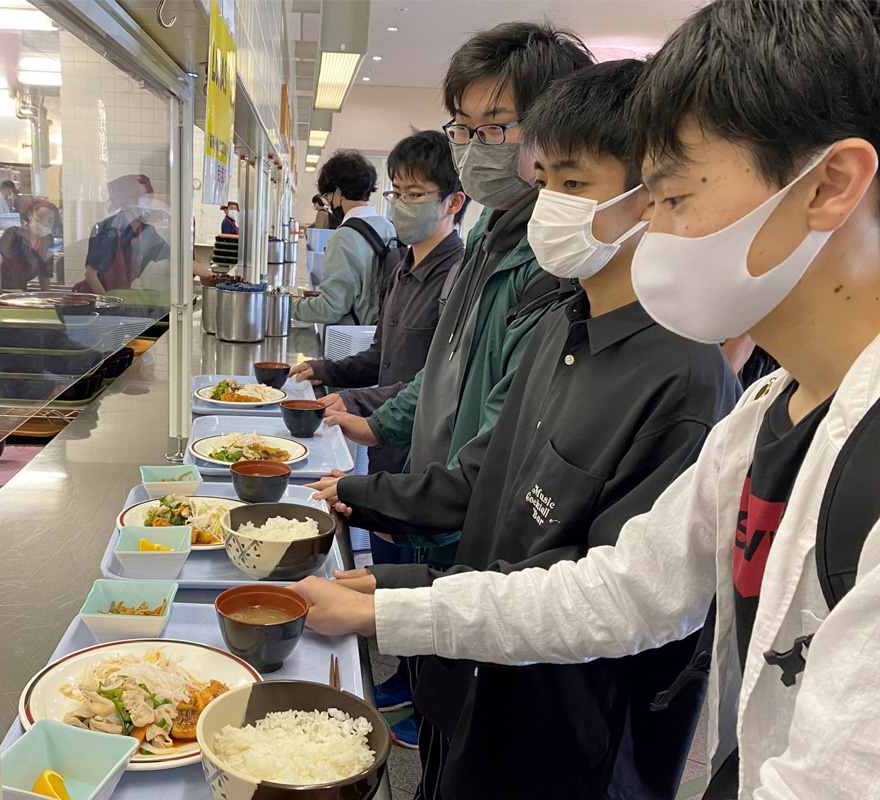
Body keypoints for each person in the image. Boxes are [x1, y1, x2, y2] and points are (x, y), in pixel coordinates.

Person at [295, 2, 880, 798]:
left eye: (671, 193)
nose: (653, 227)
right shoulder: (765, 416)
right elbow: (627, 588)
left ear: (830, 185)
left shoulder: (765, 411)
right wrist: (397, 606)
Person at [307, 58, 740, 800]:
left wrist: (396, 605)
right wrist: (372, 528)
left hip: (565, 742)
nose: (549, 207)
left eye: (574, 185)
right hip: (474, 679)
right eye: (545, 184)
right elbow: (487, 482)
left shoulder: (685, 381)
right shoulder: (561, 328)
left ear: (656, 198)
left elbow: (608, 594)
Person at [311, 23, 593, 746]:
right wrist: (381, 427)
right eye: (464, 128)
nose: (473, 147)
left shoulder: (553, 264)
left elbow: (505, 441)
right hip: (440, 502)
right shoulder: (492, 239)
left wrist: (390, 498)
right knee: (435, 695)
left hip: (477, 527)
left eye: (495, 127)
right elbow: (442, 366)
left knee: (467, 707)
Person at [288, 131, 466, 566]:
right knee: (380, 560)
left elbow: (440, 384)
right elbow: (380, 357)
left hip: (423, 464)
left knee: (405, 573)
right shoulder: (402, 269)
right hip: (383, 451)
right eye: (396, 192)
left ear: (453, 202)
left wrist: (354, 401)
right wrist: (325, 370)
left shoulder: (459, 280)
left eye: (415, 194)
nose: (401, 204)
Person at [292, 150, 395, 326]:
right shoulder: (387, 227)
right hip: (381, 329)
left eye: (328, 196)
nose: (329, 203)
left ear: (338, 191)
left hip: (351, 335)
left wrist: (289, 306)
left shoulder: (343, 237)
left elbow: (330, 309)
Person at [79, 174, 170, 294]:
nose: (150, 208)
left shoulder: (148, 232)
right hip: (96, 297)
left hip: (120, 295)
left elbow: (173, 256)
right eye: (147, 203)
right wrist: (107, 301)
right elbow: (91, 275)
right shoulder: (106, 230)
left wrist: (198, 271)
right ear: (131, 203)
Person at [0, 198, 59, 291]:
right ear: (30, 214)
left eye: (50, 221)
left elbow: (45, 272)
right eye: (40, 216)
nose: (44, 223)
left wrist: (47, 295)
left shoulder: (47, 241)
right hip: (0, 289)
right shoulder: (13, 234)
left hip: (21, 291)